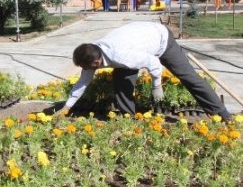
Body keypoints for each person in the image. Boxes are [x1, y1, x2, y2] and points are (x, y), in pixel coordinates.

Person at [61, 21, 231, 120]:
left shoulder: (121, 55)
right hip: (138, 42)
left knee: (188, 77)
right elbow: (83, 82)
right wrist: (66, 107)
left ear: (96, 62)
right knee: (121, 79)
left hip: (161, 40)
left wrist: (157, 86)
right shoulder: (91, 54)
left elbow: (153, 63)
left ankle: (222, 114)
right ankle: (128, 119)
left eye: (86, 68)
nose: (85, 70)